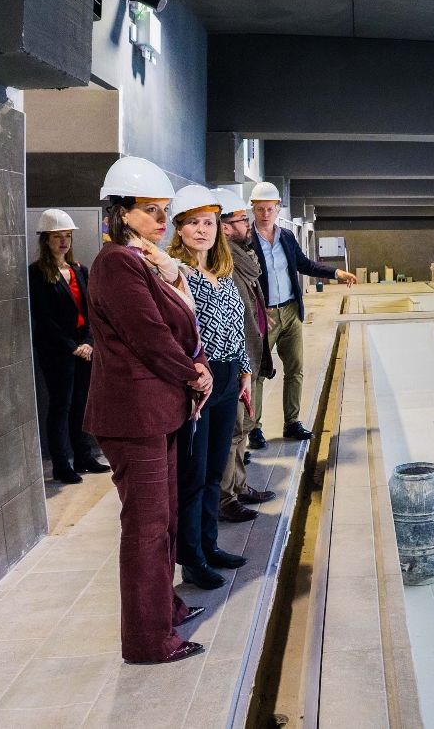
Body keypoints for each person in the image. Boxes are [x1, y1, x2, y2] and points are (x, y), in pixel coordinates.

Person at [84, 156, 211, 665]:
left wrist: (195, 362)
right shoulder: (116, 262)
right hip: (135, 414)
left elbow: (179, 326)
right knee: (145, 526)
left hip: (162, 410)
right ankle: (147, 640)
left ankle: (165, 607)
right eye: (151, 211)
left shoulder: (149, 262)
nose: (162, 220)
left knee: (164, 522)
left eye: (164, 211)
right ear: (120, 212)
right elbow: (149, 336)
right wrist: (192, 372)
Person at [165, 185, 252, 590]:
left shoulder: (222, 275)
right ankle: (193, 559)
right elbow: (174, 334)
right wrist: (193, 375)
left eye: (209, 223)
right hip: (199, 381)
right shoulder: (174, 274)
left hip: (229, 375)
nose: (203, 230)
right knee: (195, 476)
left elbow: (238, 327)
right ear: (179, 229)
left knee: (215, 470)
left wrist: (245, 370)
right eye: (194, 223)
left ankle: (210, 545)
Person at [246, 181, 355, 446]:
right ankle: (254, 428)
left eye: (269, 208)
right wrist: (257, 311)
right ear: (253, 209)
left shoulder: (286, 236)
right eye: (259, 209)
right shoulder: (246, 241)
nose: (265, 214)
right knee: (258, 372)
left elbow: (304, 264)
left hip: (291, 310)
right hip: (265, 316)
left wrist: (334, 272)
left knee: (295, 369)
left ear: (278, 208)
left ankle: (292, 422)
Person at [27, 209, 108, 484]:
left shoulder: (79, 270)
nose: (63, 242)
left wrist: (87, 342)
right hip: (57, 351)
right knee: (61, 406)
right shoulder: (37, 273)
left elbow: (90, 309)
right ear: (46, 240)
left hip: (83, 348)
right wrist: (71, 346)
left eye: (67, 237)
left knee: (82, 404)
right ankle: (62, 464)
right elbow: (44, 317)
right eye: (57, 237)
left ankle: (84, 456)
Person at [215, 186, 275, 523]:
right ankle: (227, 499)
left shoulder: (242, 260)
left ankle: (238, 486)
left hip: (250, 357)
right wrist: (243, 367)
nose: (248, 225)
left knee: (243, 428)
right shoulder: (228, 268)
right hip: (239, 362)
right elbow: (235, 321)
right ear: (226, 227)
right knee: (235, 431)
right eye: (242, 220)